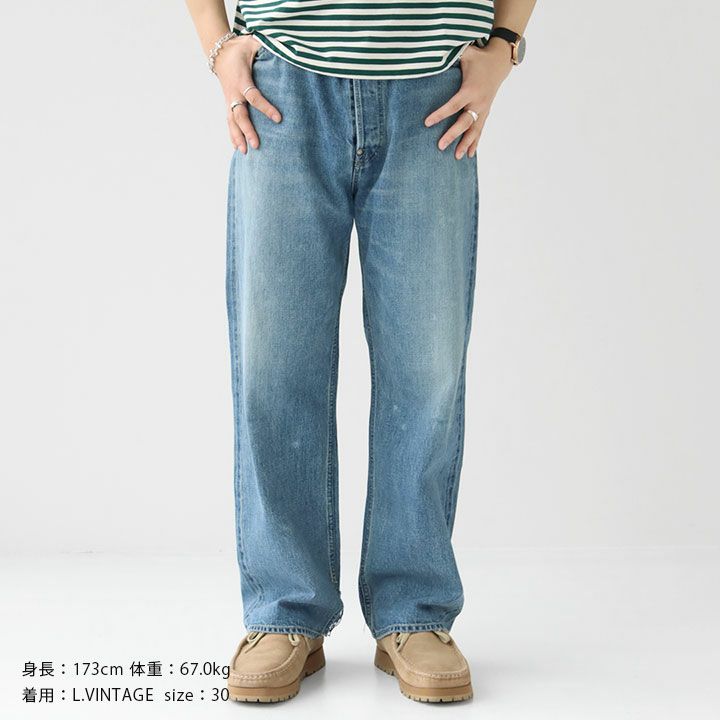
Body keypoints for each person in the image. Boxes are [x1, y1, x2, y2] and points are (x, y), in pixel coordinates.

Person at [185, 0, 536, 704]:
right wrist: (217, 45)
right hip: (282, 89)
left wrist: (504, 45)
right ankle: (284, 609)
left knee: (426, 367)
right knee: (275, 365)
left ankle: (413, 609)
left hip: (434, 91)